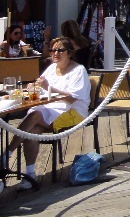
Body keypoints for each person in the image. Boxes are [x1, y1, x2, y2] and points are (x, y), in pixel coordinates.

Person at [1, 36, 90, 190]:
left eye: (60, 50)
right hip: (49, 109)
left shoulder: (78, 70)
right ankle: (30, 175)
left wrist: (49, 87)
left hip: (72, 112)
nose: (55, 53)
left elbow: (72, 99)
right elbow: (41, 87)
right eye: (53, 50)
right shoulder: (51, 68)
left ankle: (6, 154)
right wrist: (33, 87)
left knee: (34, 116)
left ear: (69, 53)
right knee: (33, 130)